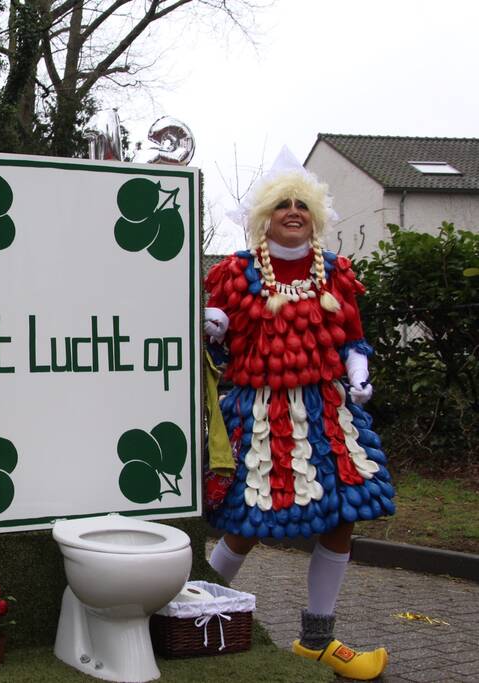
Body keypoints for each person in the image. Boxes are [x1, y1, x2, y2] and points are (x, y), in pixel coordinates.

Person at [203, 148, 394, 681]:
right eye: (282, 204)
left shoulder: (335, 273)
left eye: (302, 205)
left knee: (341, 517)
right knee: (246, 524)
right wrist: (212, 326)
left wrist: (358, 373)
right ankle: (197, 614)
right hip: (260, 415)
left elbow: (353, 338)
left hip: (326, 414)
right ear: (265, 216)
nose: (293, 212)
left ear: (316, 214)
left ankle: (317, 638)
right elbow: (215, 339)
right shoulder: (237, 272)